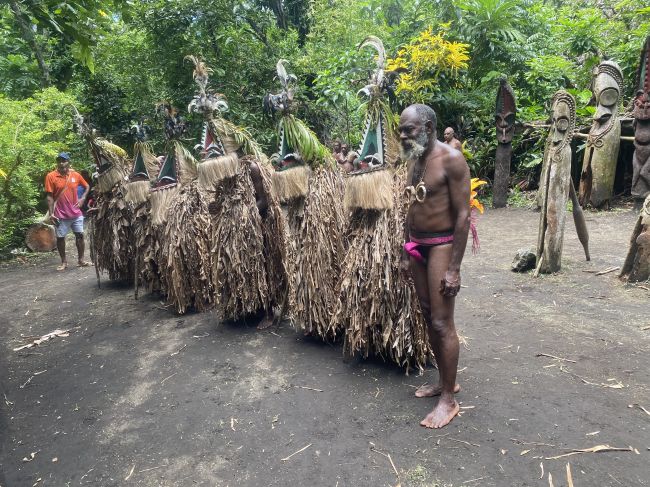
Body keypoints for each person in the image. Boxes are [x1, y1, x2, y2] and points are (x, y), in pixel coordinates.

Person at [400, 105, 470, 429]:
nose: (403, 135)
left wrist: (454, 268)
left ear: (427, 126)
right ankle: (445, 382)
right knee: (428, 315)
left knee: (442, 322)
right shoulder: (415, 159)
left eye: (409, 129)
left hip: (441, 244)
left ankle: (449, 400)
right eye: (401, 129)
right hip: (417, 246)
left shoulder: (451, 160)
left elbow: (463, 216)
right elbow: (410, 206)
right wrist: (405, 249)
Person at [45, 152, 91, 271]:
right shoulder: (51, 176)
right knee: (60, 238)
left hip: (76, 213)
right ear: (57, 162)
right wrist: (51, 214)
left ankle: (81, 260)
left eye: (64, 160)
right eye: (59, 161)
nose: (61, 163)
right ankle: (64, 262)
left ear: (68, 162)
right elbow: (49, 197)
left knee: (80, 235)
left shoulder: (75, 175)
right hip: (60, 214)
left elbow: (87, 186)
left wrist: (83, 198)